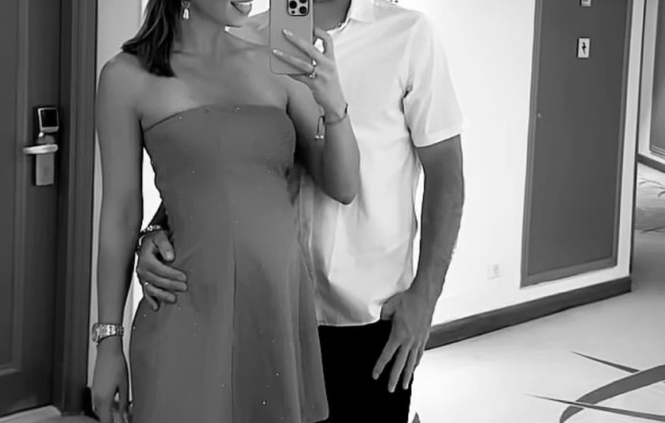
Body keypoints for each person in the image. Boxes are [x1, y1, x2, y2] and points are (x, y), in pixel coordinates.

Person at [137, 0, 465, 421]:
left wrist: (425, 299)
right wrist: (157, 230)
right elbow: (218, 163)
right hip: (268, 312)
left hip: (370, 320)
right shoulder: (245, 36)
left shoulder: (408, 35)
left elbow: (447, 177)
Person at [90, 0, 361, 421]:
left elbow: (343, 185)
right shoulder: (125, 77)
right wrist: (109, 341)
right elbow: (121, 213)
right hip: (186, 304)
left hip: (276, 310)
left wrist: (334, 102)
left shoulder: (277, 64)